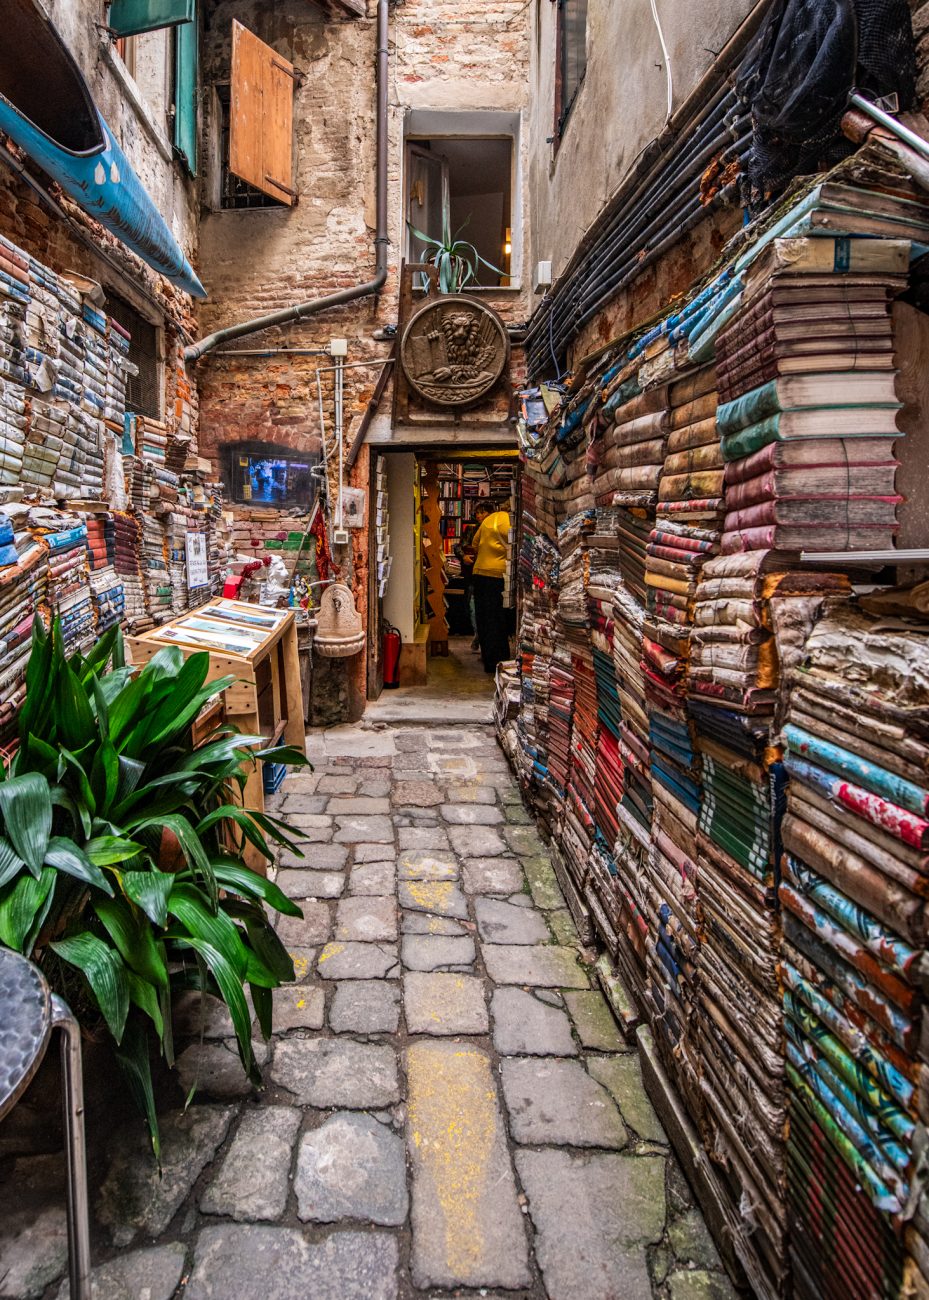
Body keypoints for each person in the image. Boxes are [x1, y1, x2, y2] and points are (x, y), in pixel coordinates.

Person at [471, 497, 512, 674]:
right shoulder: (508, 520)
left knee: (484, 619)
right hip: (498, 574)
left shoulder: (488, 520)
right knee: (498, 619)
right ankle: (500, 658)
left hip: (479, 572)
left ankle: (489, 659)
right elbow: (514, 543)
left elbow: (474, 544)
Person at [456, 500, 490, 649]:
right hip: (473, 574)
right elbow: (458, 547)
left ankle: (482, 635)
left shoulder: (494, 530)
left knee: (485, 607)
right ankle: (479, 633)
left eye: (482, 512)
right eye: (477, 513)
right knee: (472, 607)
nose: (479, 516)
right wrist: (464, 556)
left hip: (488, 573)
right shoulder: (471, 530)